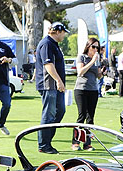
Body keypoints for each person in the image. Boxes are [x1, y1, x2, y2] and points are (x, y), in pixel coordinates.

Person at [34, 22, 68, 153]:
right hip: (49, 84)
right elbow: (48, 65)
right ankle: (43, 145)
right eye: (63, 32)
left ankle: (47, 141)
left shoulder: (54, 44)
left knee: (60, 111)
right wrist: (58, 81)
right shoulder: (46, 43)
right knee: (49, 114)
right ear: (58, 32)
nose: (64, 35)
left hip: (55, 85)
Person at [73, 38, 104, 133]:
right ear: (88, 46)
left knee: (90, 117)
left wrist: (102, 72)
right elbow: (80, 72)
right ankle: (76, 141)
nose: (95, 49)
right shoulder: (82, 57)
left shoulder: (97, 60)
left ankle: (87, 142)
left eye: (97, 48)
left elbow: (98, 76)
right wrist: (92, 61)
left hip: (93, 89)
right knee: (81, 116)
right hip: (81, 89)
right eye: (93, 47)